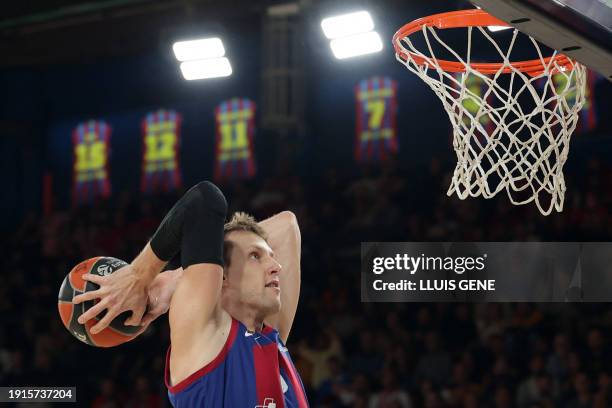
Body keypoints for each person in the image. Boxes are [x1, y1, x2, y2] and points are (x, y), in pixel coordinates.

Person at [73, 181, 308, 407]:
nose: (276, 266)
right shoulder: (206, 335)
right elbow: (204, 200)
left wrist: (177, 275)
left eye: (271, 256)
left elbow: (287, 226)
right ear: (222, 277)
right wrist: (139, 275)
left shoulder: (267, 337)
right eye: (255, 257)